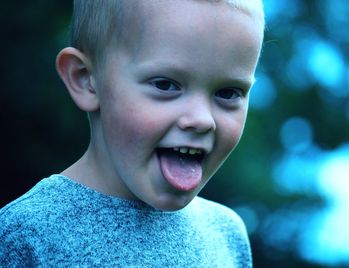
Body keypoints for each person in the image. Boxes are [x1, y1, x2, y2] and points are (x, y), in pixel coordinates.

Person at [0, 0, 264, 266]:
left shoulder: (227, 235)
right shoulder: (26, 235)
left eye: (228, 93)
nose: (202, 120)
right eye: (165, 84)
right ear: (86, 79)